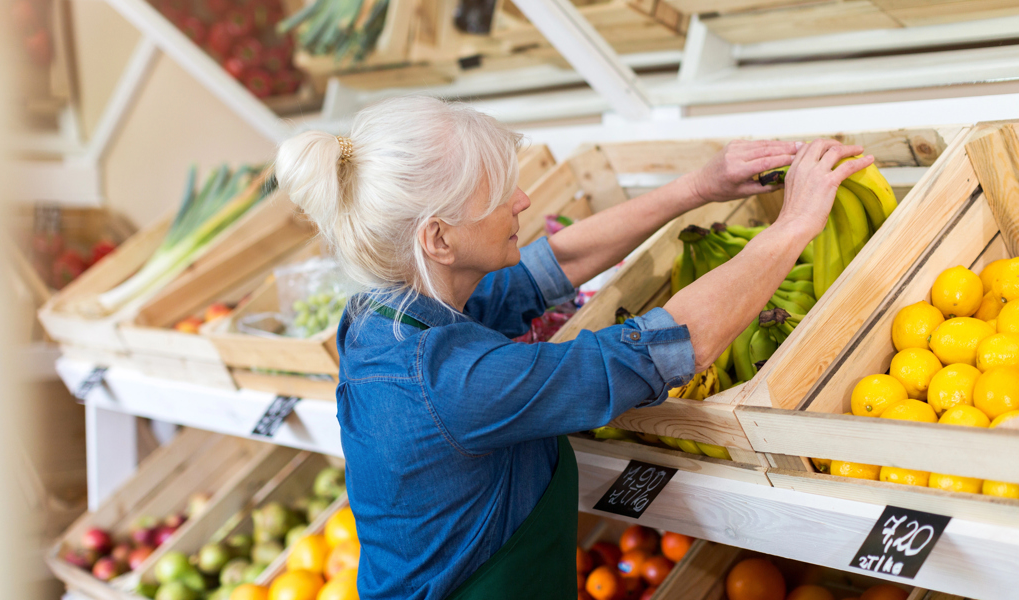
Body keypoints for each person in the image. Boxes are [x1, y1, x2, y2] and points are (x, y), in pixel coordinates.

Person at [275, 96, 874, 600]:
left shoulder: (389, 312)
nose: (523, 202)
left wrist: (700, 186)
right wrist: (794, 224)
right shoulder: (453, 383)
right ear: (438, 237)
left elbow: (556, 261)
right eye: (500, 194)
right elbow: (666, 347)